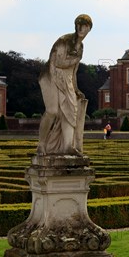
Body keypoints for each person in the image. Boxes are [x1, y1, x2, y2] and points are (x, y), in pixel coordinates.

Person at [37, 14, 92, 155]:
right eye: (78, 24)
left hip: (65, 80)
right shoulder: (65, 41)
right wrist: (75, 60)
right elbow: (59, 63)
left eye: (84, 26)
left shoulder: (80, 47)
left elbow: (73, 71)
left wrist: (76, 88)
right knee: (52, 111)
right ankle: (41, 145)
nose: (81, 28)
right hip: (49, 76)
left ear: (89, 29)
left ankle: (68, 146)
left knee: (70, 111)